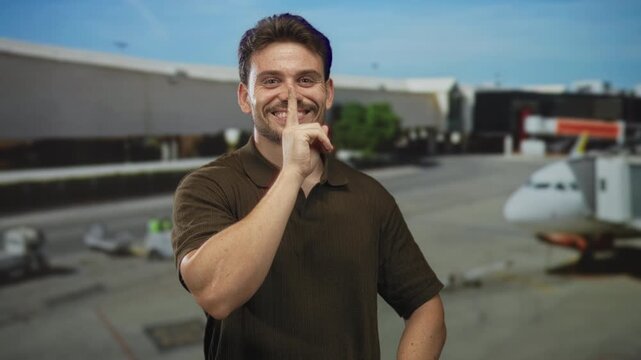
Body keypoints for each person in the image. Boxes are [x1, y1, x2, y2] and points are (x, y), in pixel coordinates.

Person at [172, 13, 446, 360]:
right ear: (245, 97)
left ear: (327, 93)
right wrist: (292, 173)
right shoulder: (208, 187)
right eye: (271, 81)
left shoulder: (369, 196)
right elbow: (216, 294)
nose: (291, 95)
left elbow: (426, 308)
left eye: (306, 79)